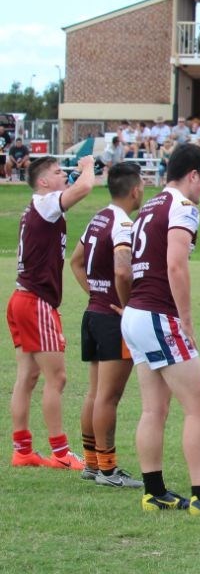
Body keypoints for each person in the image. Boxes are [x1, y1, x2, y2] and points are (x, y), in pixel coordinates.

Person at [120, 144, 200, 515]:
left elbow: (131, 265)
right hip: (159, 314)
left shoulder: (149, 207)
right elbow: (175, 266)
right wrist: (186, 320)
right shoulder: (182, 207)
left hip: (137, 313)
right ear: (193, 174)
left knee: (153, 408)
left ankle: (154, 491)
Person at [8, 155, 97, 469]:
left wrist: (73, 174)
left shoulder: (40, 206)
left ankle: (22, 450)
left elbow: (72, 190)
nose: (65, 175)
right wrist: (87, 166)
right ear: (43, 182)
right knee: (56, 379)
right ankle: (60, 454)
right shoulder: (46, 203)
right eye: (58, 172)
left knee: (27, 377)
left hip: (22, 298)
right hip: (36, 302)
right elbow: (85, 187)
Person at [69, 162, 145, 487]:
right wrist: (127, 307)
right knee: (108, 397)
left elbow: (74, 261)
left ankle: (91, 463)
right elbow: (123, 271)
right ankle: (109, 471)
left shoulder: (98, 216)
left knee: (94, 393)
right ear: (135, 189)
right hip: (112, 319)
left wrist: (95, 293)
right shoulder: (124, 224)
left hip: (93, 313)